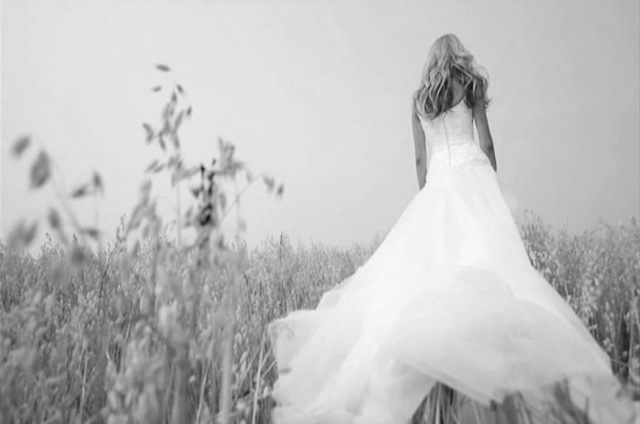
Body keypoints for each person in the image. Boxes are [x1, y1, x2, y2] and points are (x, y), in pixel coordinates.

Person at [267, 34, 631, 424]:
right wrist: (490, 183)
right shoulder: (471, 86)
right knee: (494, 267)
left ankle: (436, 395)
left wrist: (429, 196)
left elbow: (419, 160)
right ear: (458, 56)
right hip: (473, 177)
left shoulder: (418, 100)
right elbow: (486, 144)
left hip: (438, 182)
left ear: (431, 61)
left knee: (428, 275)